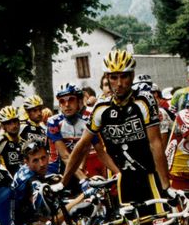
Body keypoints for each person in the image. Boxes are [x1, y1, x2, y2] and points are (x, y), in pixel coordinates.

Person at [63, 49, 172, 216]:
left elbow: (155, 143)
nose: (119, 83)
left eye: (124, 76)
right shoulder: (101, 107)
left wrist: (166, 186)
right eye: (114, 77)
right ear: (107, 78)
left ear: (132, 75)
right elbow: (83, 144)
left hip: (149, 174)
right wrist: (63, 182)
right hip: (125, 178)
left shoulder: (144, 100)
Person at [0, 106, 25, 178]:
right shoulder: (0, 143)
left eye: (15, 121)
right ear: (3, 126)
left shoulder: (24, 142)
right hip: (7, 183)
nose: (14, 125)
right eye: (9, 123)